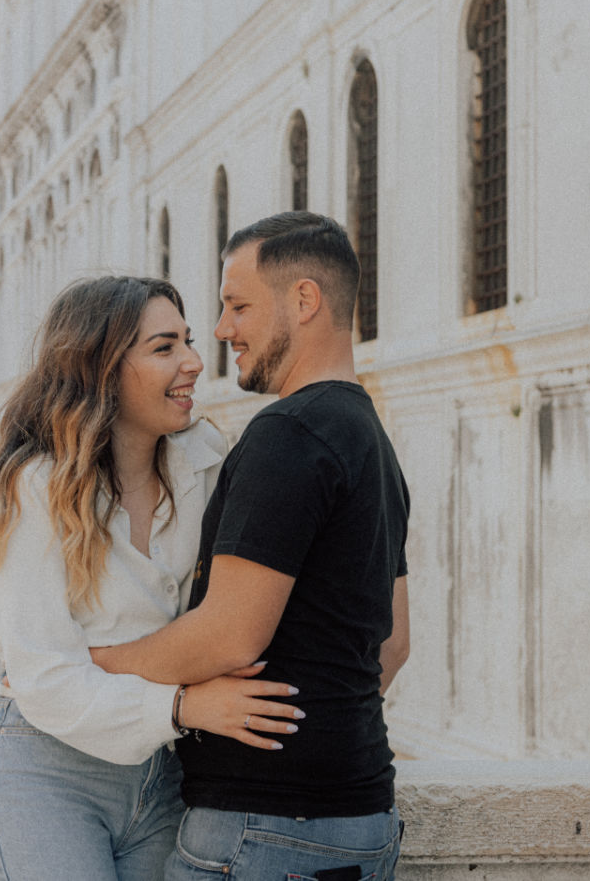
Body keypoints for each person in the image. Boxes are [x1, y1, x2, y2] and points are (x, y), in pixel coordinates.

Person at [92, 212, 412, 879]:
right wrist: (318, 727)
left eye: (238, 306)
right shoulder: (372, 443)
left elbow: (230, 635)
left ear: (304, 300)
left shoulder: (287, 433)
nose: (220, 330)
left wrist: (92, 663)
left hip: (263, 830)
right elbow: (393, 641)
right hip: (361, 814)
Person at [0, 276, 303, 881]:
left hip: (166, 775)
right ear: (102, 368)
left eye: (189, 342)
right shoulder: (34, 487)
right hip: (47, 771)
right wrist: (184, 705)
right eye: (165, 347)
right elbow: (42, 678)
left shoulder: (207, 458)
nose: (196, 363)